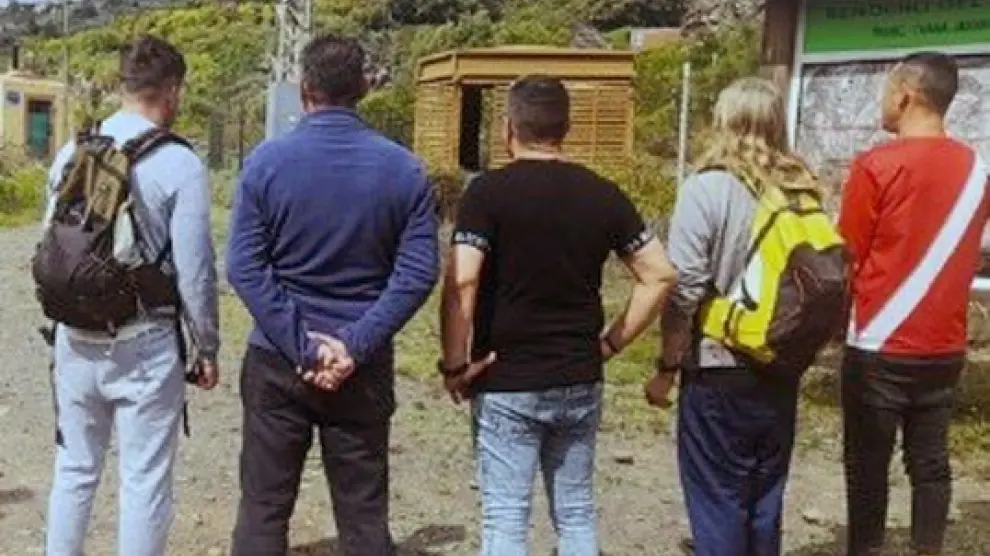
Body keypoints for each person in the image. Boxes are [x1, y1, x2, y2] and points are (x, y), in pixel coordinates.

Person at [440, 75, 678, 555]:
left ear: (509, 128)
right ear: (565, 129)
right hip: (578, 375)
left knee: (506, 516)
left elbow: (463, 281)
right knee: (575, 513)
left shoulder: (487, 194)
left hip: (506, 378)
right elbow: (659, 274)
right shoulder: (603, 194)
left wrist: (455, 364)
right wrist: (610, 343)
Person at [226, 34, 439, 556]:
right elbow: (417, 273)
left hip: (278, 361)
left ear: (304, 89)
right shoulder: (404, 170)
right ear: (363, 87)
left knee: (263, 509)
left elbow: (244, 267)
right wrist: (354, 344)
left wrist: (302, 345)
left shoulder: (266, 163)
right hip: (361, 367)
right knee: (363, 516)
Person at [43, 35, 220, 556]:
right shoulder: (180, 163)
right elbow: (195, 271)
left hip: (73, 337)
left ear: (124, 85)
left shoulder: (73, 151)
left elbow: (51, 242)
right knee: (143, 481)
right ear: (172, 90)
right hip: (144, 343)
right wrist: (206, 346)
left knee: (74, 469)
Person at [654, 77, 825, 556]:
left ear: (723, 122)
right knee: (764, 501)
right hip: (781, 365)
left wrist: (667, 365)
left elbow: (684, 289)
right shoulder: (803, 193)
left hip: (718, 368)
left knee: (719, 501)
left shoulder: (706, 189)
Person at [838, 52, 989, 556]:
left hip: (878, 341)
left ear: (905, 96)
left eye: (886, 90)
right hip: (944, 343)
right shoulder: (977, 169)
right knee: (931, 464)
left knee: (867, 468)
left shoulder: (875, 165)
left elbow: (849, 254)